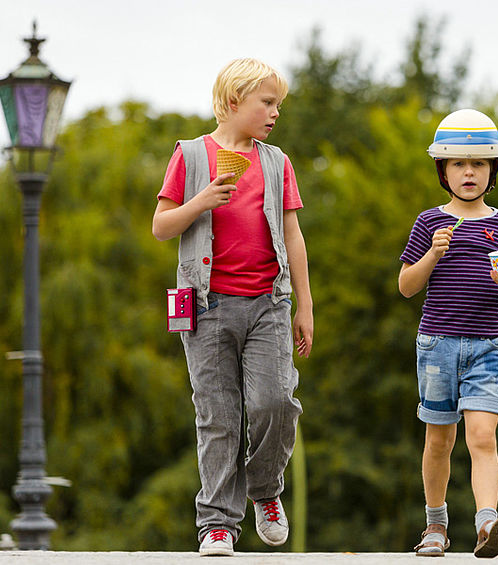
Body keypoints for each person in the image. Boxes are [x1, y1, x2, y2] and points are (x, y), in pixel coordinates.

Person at [152, 58, 313, 556]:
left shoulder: (275, 161)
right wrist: (202, 201)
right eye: (267, 103)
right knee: (218, 416)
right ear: (232, 102)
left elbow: (292, 233)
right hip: (206, 307)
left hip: (268, 303)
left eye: (278, 105)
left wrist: (304, 304)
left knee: (275, 402)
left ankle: (266, 491)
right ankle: (217, 523)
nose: (274, 113)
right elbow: (161, 226)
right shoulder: (190, 155)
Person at [398, 109, 498, 558]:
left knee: (483, 437)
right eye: (458, 163)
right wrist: (433, 254)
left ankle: (488, 523)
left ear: (492, 170)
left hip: (488, 345)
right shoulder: (429, 223)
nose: (468, 172)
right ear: (443, 170)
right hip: (437, 344)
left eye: (478, 163)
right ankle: (436, 527)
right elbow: (407, 286)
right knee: (439, 439)